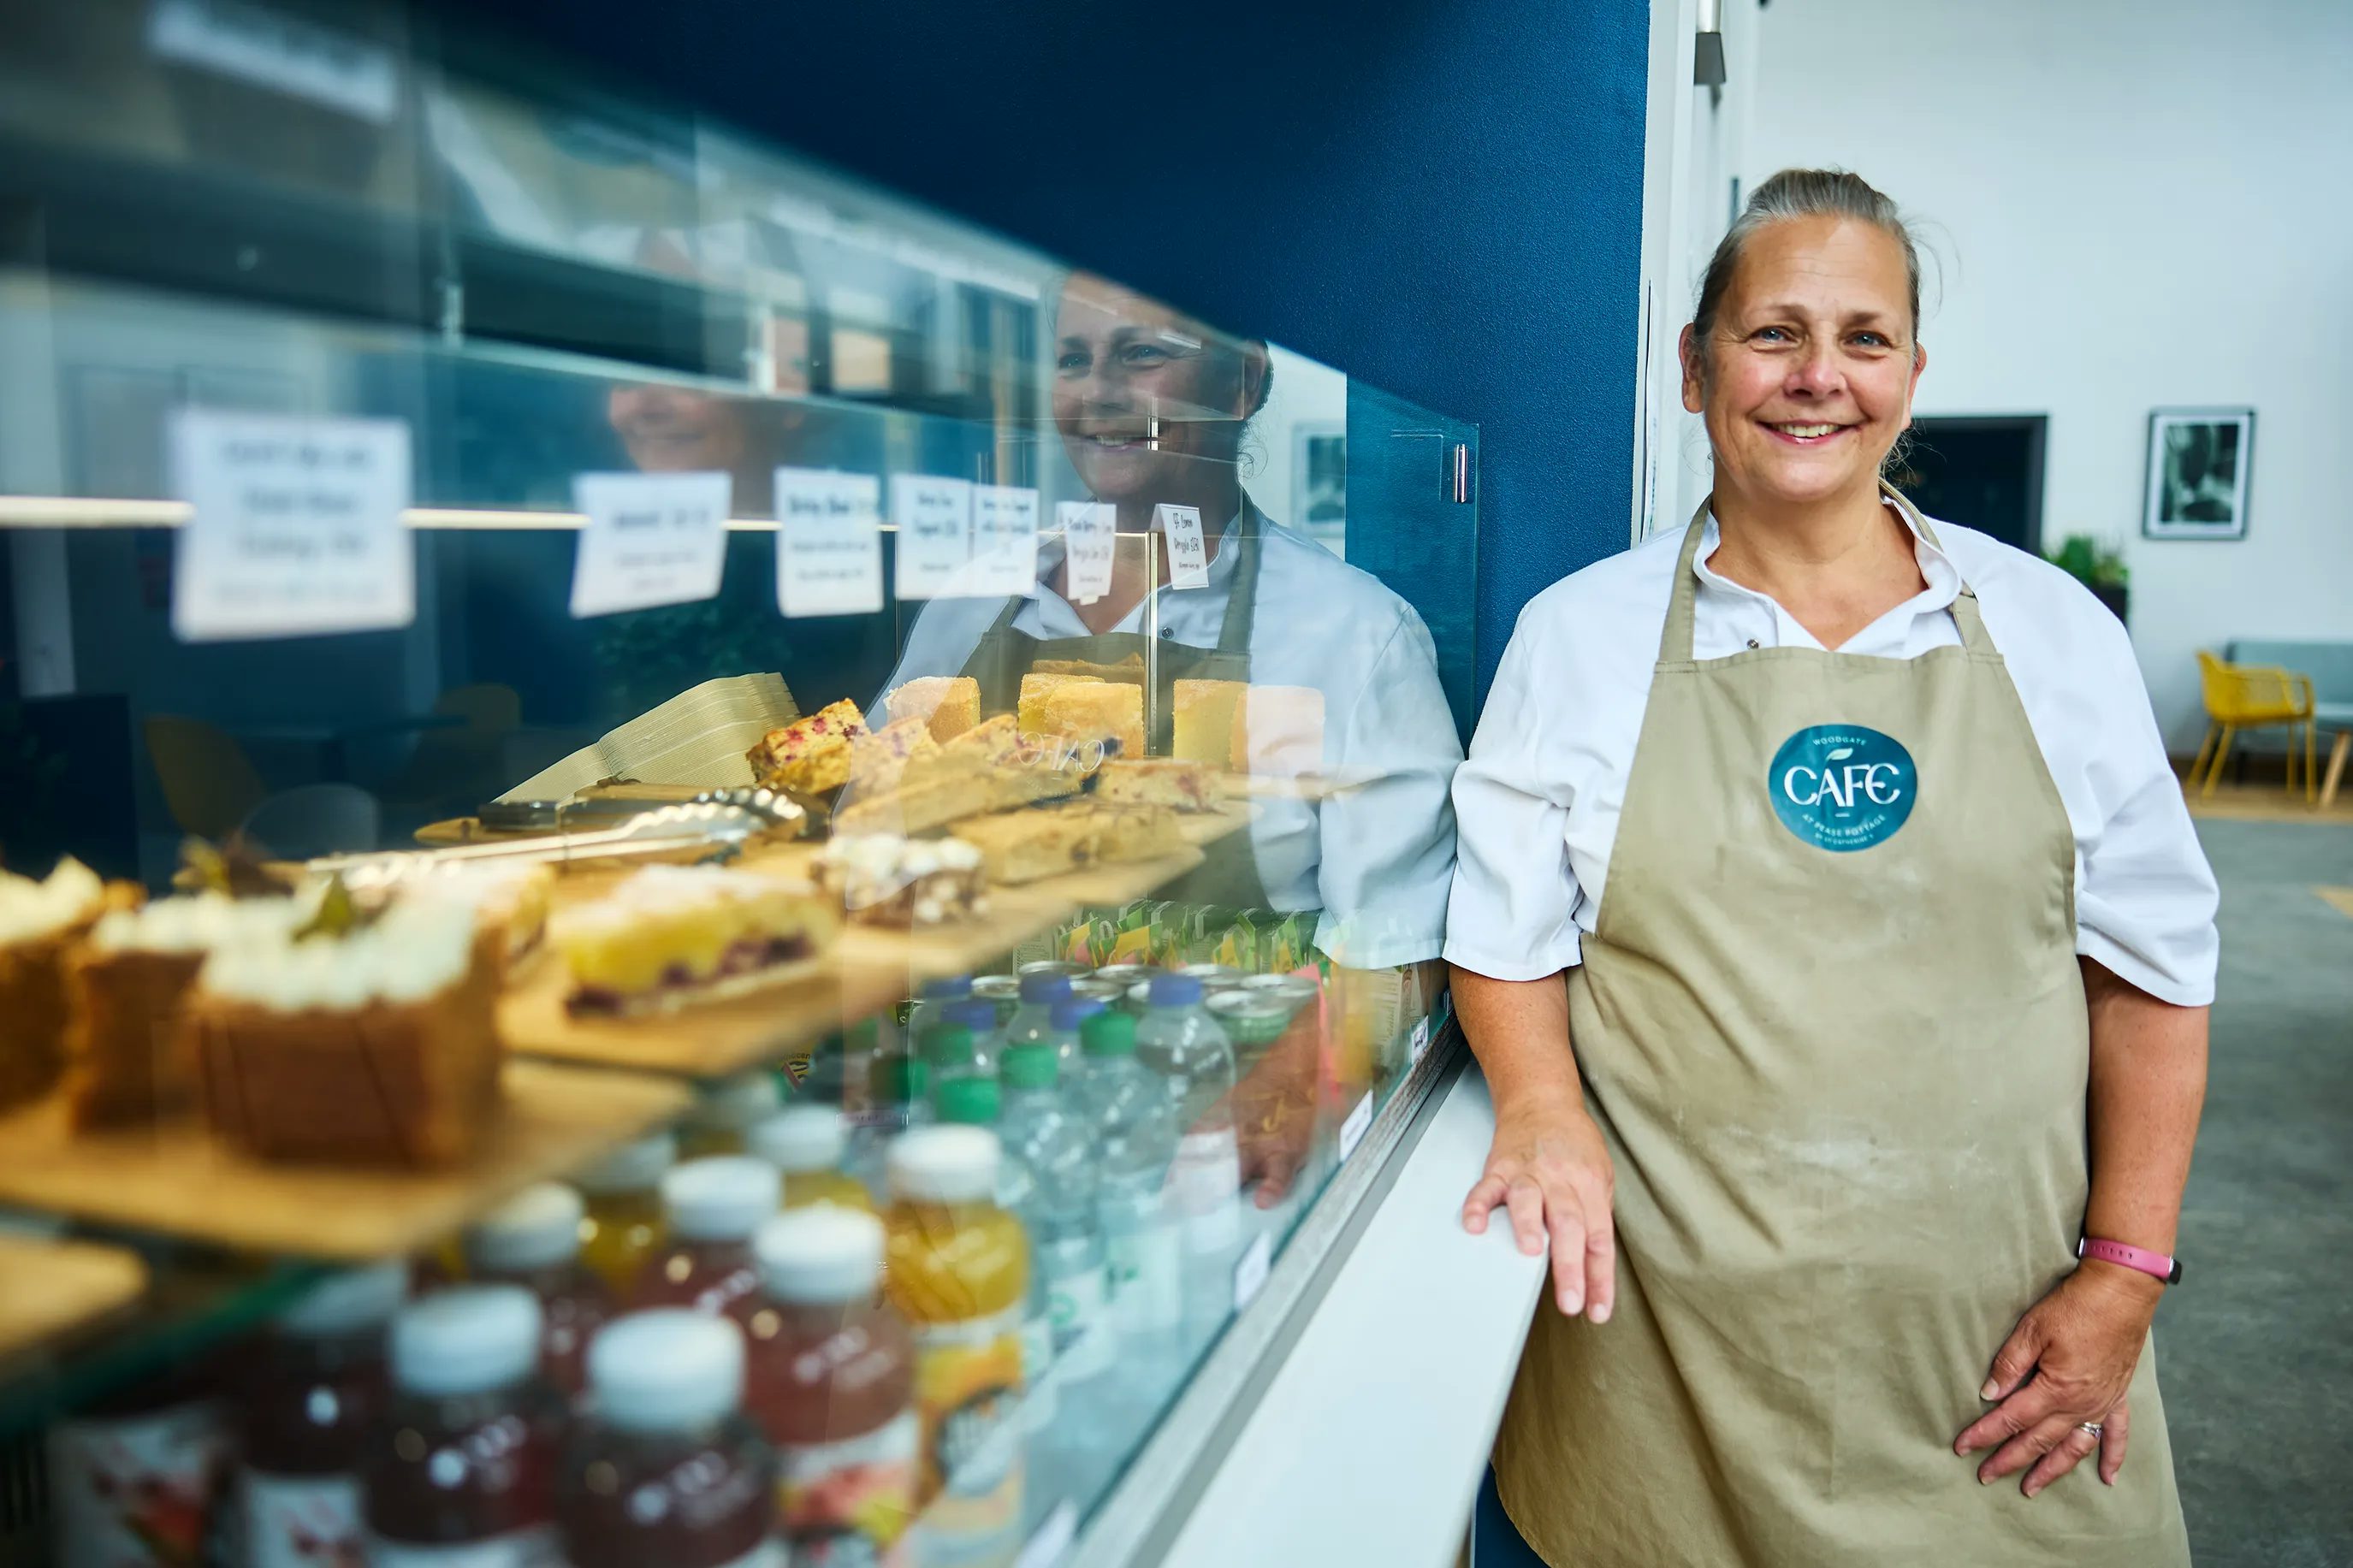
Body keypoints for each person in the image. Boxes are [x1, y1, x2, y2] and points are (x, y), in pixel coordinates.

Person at [1445, 169, 2214, 1565]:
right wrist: (1542, 1100)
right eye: (1773, 333)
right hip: (1672, 1371)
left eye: (1863, 338)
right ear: (1694, 368)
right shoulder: (1580, 641)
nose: (1819, 378)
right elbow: (1506, 938)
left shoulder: (2053, 635)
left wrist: (2125, 1273)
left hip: (1999, 1372)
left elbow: (2152, 983)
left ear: (1913, 375)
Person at [880, 275, 1463, 1198]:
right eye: (1072, 361)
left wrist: (1286, 1086)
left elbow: (1398, 940)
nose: (1099, 393)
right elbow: (875, 856)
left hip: (1211, 1148)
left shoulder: (1347, 633)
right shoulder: (973, 602)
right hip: (972, 1133)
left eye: (1141, 354)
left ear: (1241, 385)